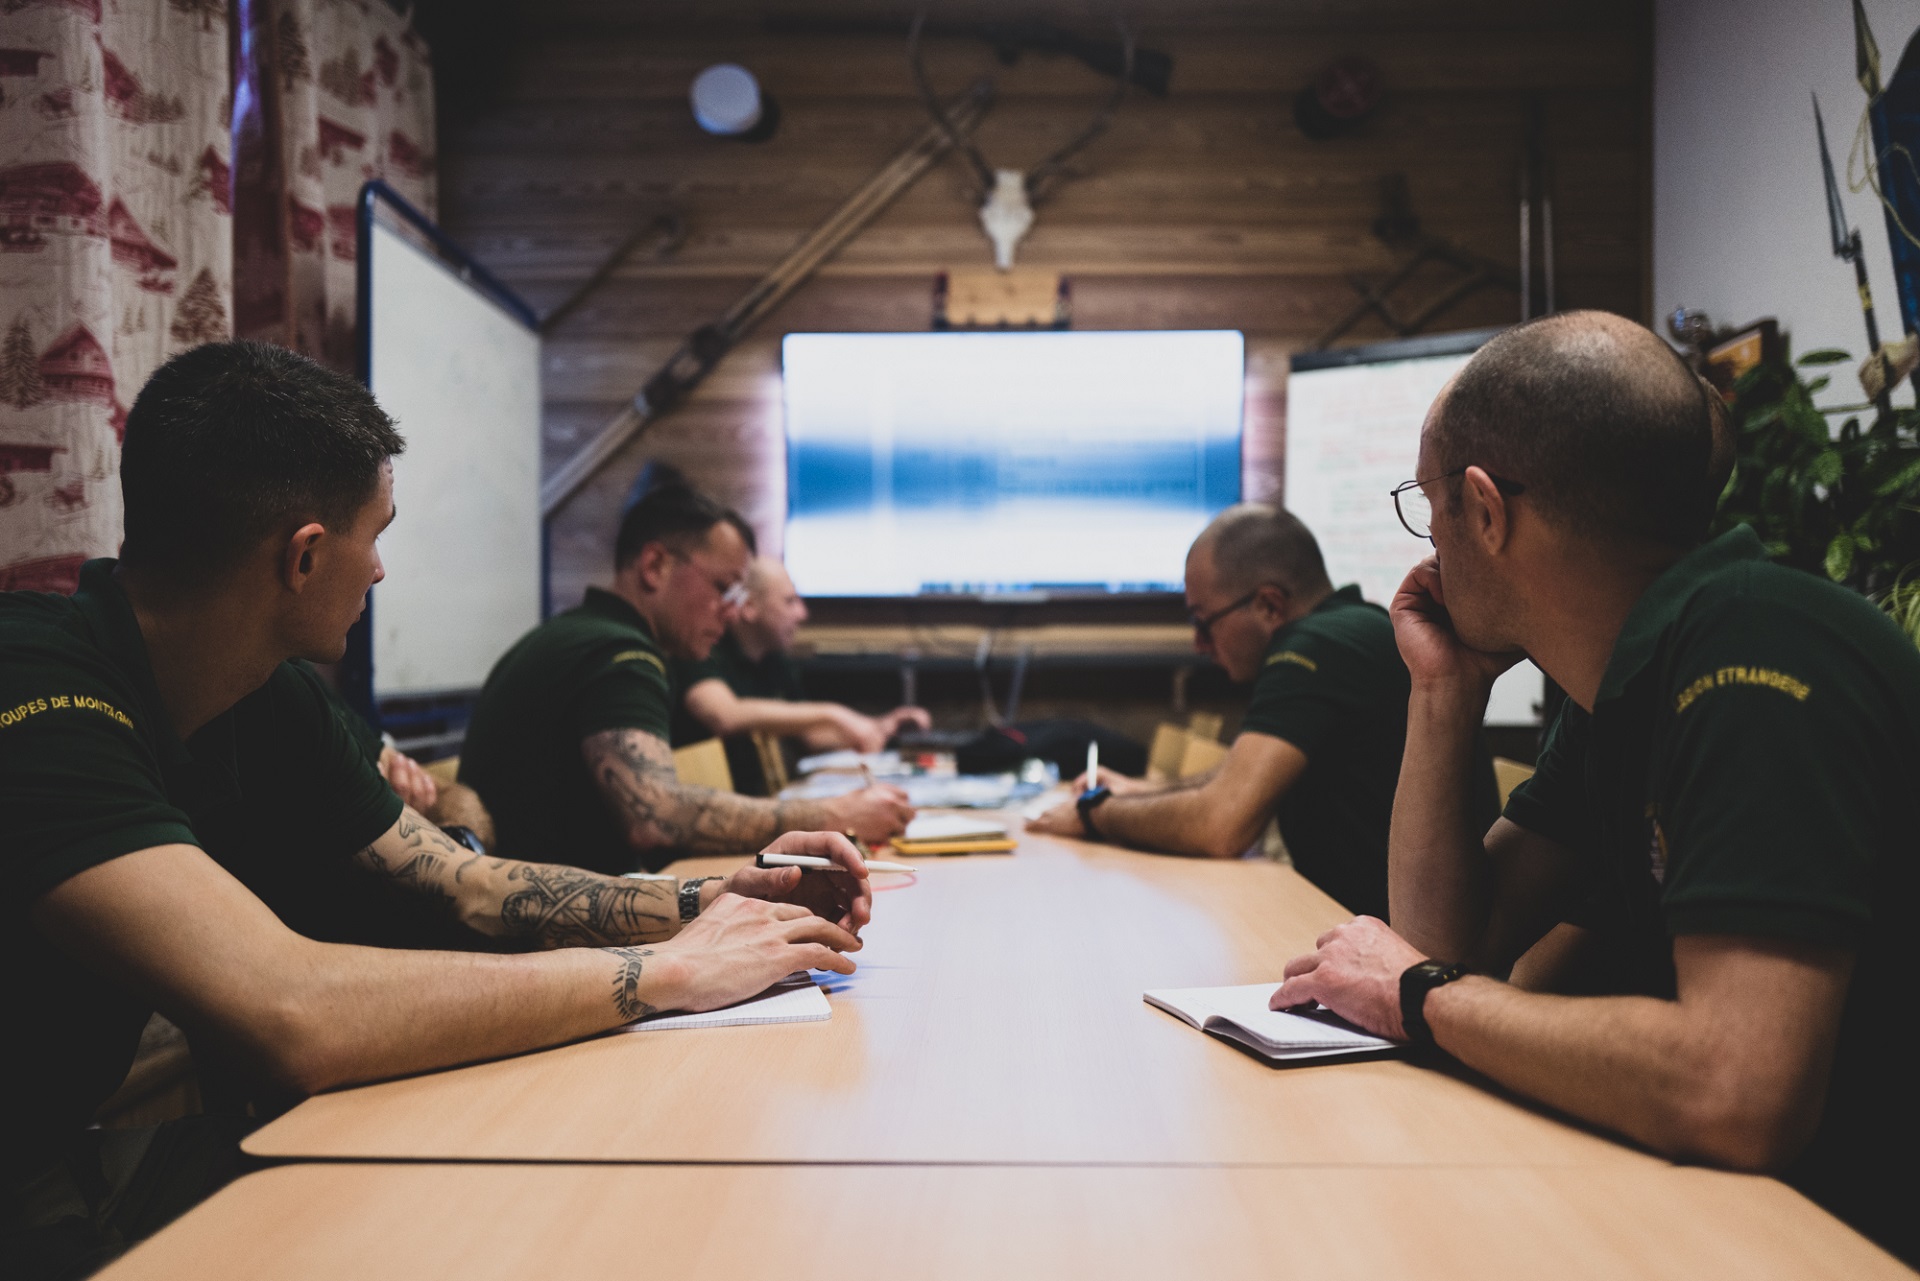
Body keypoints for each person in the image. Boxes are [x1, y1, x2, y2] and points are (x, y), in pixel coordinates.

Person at [3, 342, 872, 1277]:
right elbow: (295, 1010)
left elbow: (468, 882)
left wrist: (718, 903)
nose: (378, 570)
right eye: (374, 534)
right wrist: (662, 975)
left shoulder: (261, 688)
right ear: (303, 556)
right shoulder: (39, 690)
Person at [1270, 311, 1920, 1263]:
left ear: (1486, 512)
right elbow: (1454, 937)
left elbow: (1737, 1092)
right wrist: (1442, 690)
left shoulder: (1755, 653)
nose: (1430, 542)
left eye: (1430, 505)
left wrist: (1421, 997)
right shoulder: (1623, 685)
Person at [1027, 504, 1495, 920]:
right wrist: (1137, 792)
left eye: (1203, 620)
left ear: (1269, 605)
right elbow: (1235, 781)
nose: (1198, 644)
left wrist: (1096, 814)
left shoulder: (1316, 644)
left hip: (1395, 945)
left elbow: (1221, 825)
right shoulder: (1353, 628)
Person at [460, 487, 915, 875]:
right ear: (655, 566)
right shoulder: (621, 655)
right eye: (723, 588)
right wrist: (834, 815)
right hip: (541, 949)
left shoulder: (578, 636)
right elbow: (654, 817)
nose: (732, 611)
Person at [670, 556, 931, 793]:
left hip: (757, 806)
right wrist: (835, 714)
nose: (802, 614)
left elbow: (810, 735)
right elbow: (723, 715)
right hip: (710, 818)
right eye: (789, 601)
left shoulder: (773, 659)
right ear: (749, 606)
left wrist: (877, 727)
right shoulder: (702, 647)